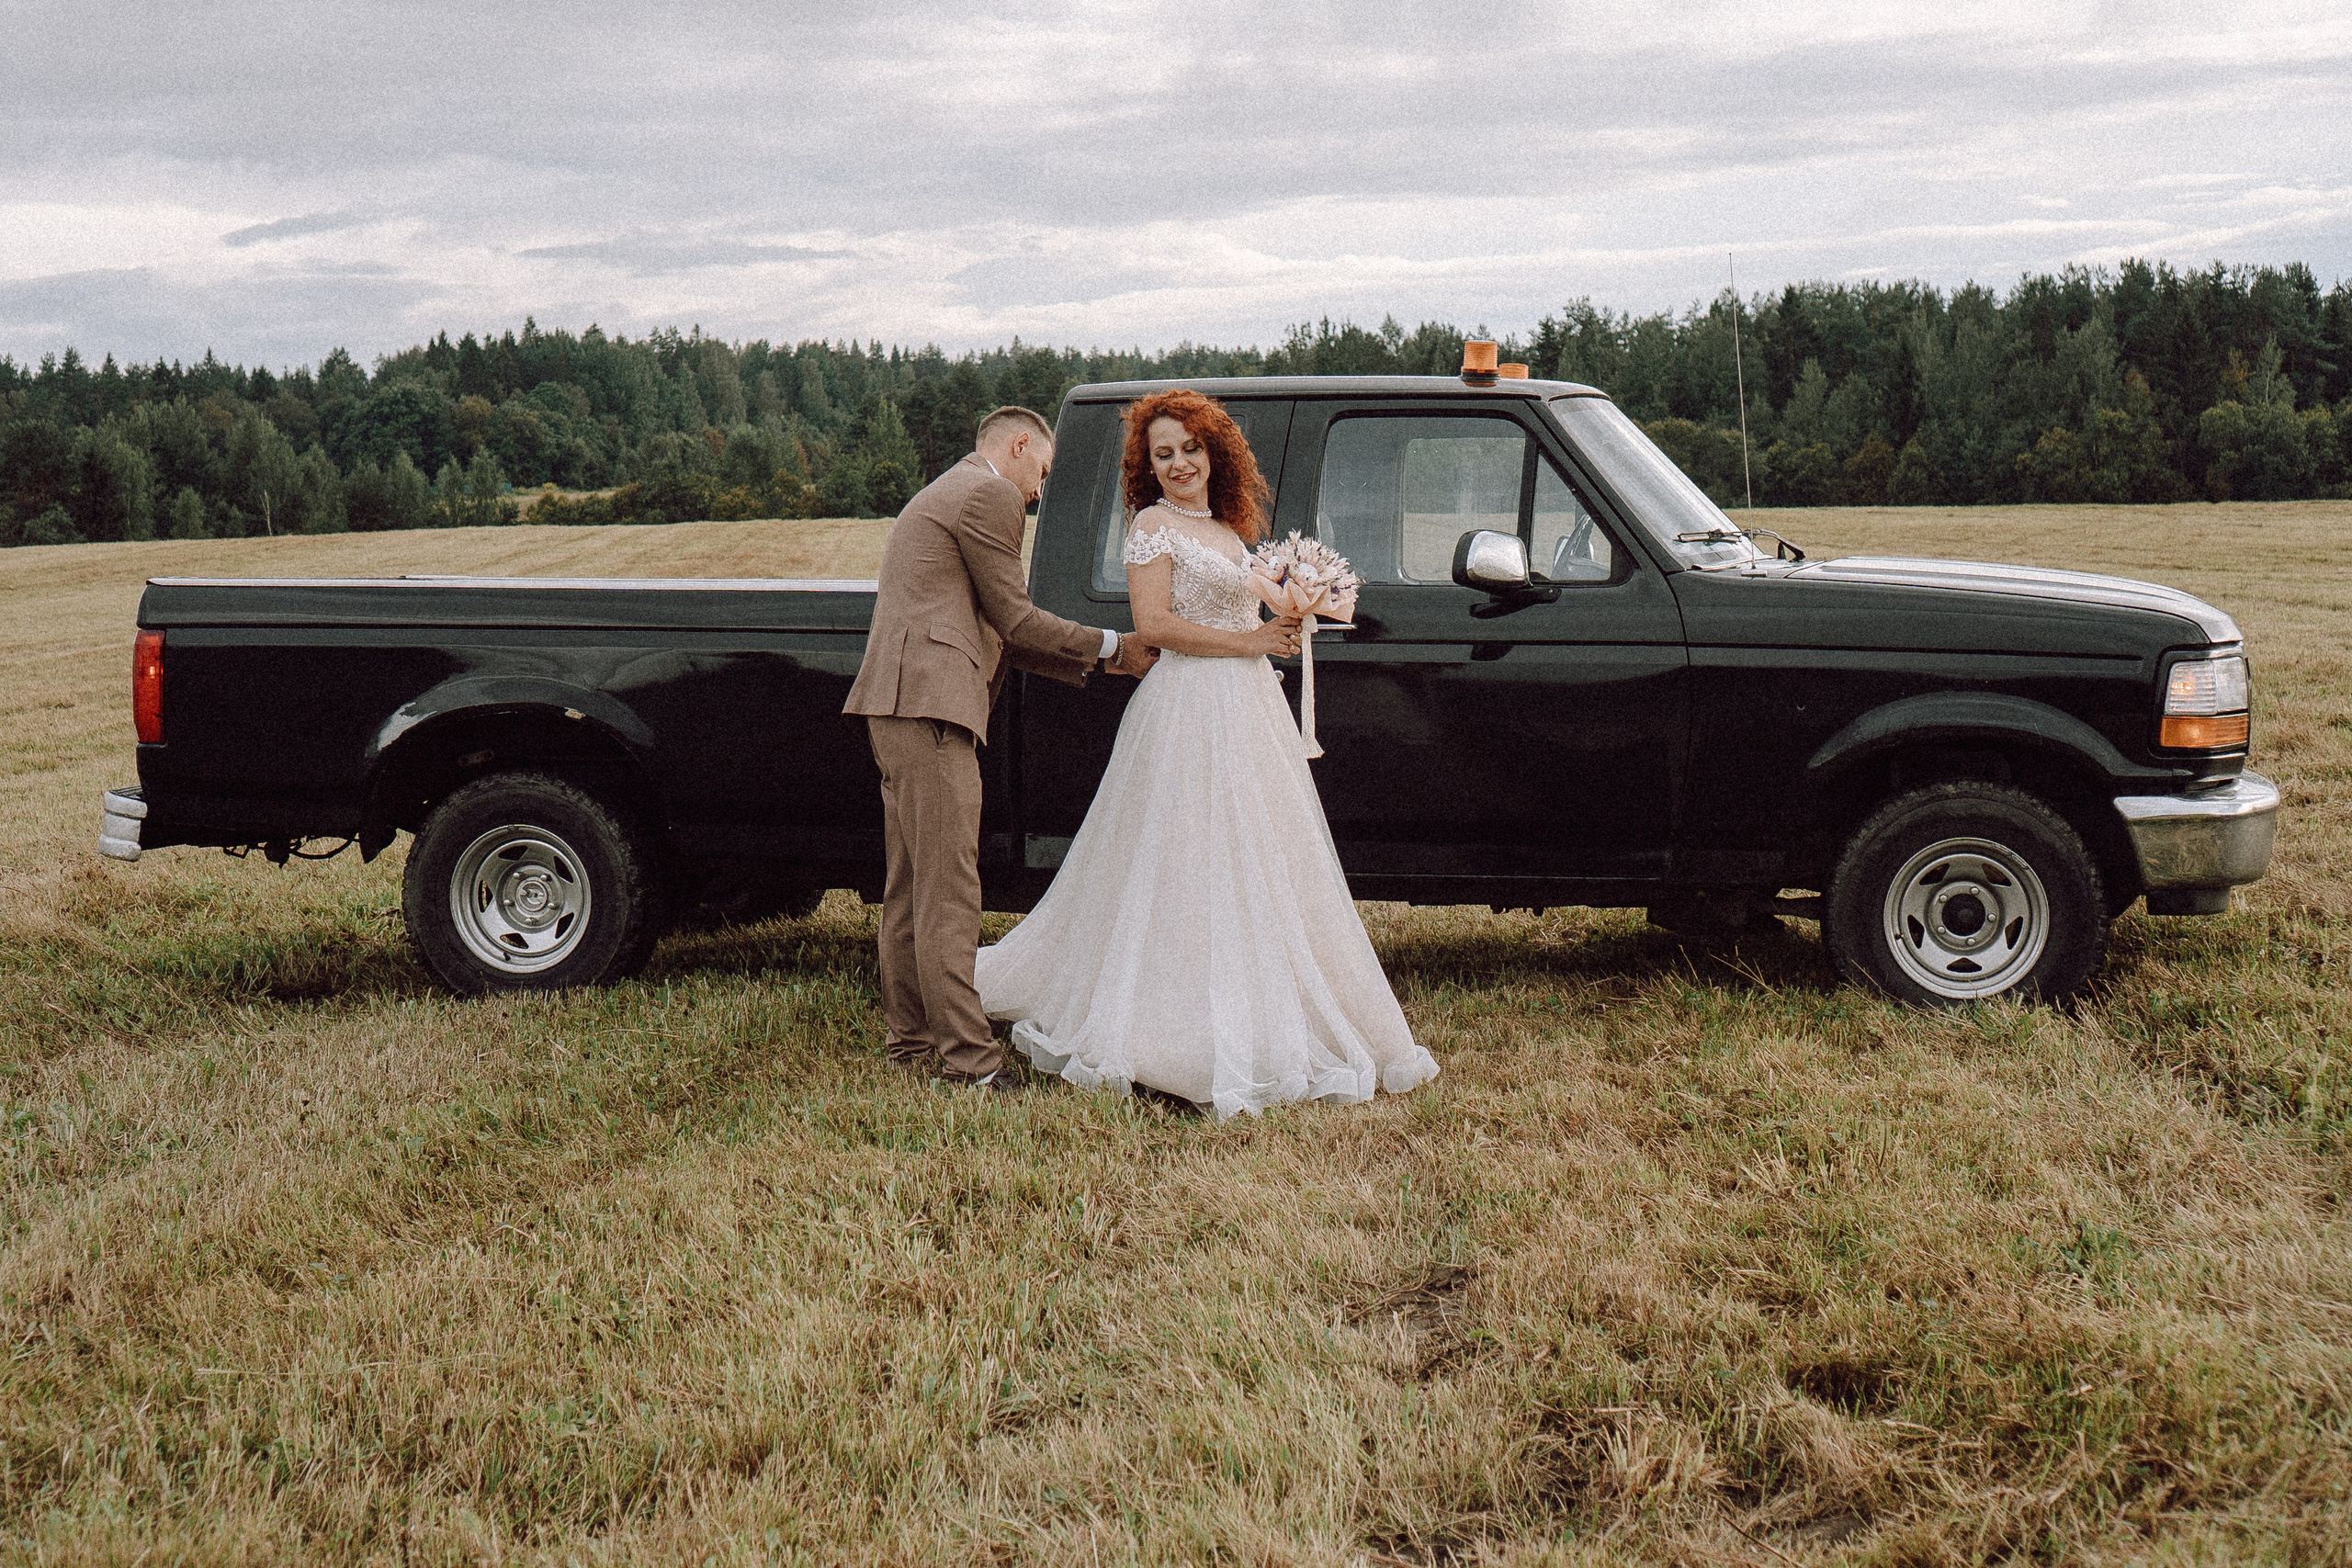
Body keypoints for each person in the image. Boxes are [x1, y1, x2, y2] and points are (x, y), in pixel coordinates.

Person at [975, 389, 1440, 1118]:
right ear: (1147, 467)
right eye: (1163, 454)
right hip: (1186, 705)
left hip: (1248, 707)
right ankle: (1168, 1026)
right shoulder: (1152, 528)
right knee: (1183, 858)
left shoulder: (1229, 530)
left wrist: (1295, 614)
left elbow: (1242, 609)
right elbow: (1155, 625)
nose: (1179, 463)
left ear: (1213, 450)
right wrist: (1253, 640)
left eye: (1190, 448)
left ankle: (1255, 1008)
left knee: (1257, 858)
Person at [844, 405, 1156, 1096]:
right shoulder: (987, 493)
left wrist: (1102, 664)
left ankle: (911, 1041)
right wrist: (1114, 644)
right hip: (930, 707)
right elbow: (1016, 617)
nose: (1040, 490)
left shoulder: (944, 492)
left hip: (897, 706)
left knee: (911, 887)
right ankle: (971, 1062)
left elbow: (1002, 633)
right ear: (1018, 447)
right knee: (950, 891)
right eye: (1041, 471)